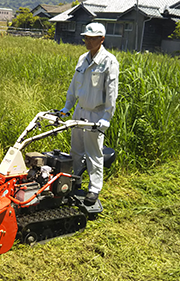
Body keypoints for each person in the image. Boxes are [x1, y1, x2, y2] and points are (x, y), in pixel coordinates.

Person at [60, 22, 119, 206]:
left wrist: (107, 117)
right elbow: (73, 86)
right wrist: (67, 107)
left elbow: (112, 92)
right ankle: (75, 180)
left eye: (93, 38)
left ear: (102, 39)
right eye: (86, 37)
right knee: (75, 151)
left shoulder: (109, 61)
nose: (88, 41)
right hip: (80, 111)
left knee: (94, 153)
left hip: (96, 114)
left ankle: (94, 189)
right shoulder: (82, 59)